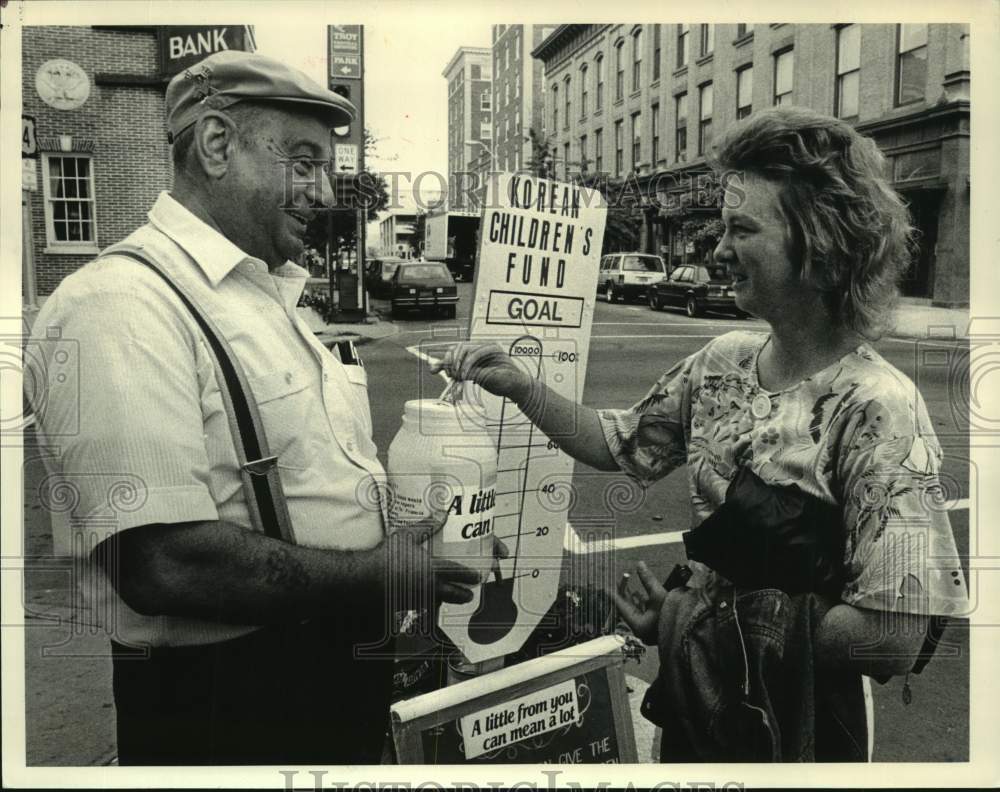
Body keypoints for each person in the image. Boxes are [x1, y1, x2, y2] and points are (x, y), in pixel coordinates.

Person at [431, 106, 968, 761]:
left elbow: (892, 637)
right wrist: (522, 386)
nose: (717, 251)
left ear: (821, 243)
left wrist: (701, 620)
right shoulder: (722, 360)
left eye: (740, 229)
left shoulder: (879, 406)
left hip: (799, 728)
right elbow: (618, 443)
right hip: (697, 699)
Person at [26, 51, 479, 765]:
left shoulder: (268, 296)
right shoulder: (119, 305)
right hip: (228, 704)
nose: (323, 189)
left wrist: (405, 527)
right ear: (215, 145)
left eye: (325, 166)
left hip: (321, 667)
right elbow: (164, 564)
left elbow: (303, 478)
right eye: (302, 161)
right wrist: (378, 575)